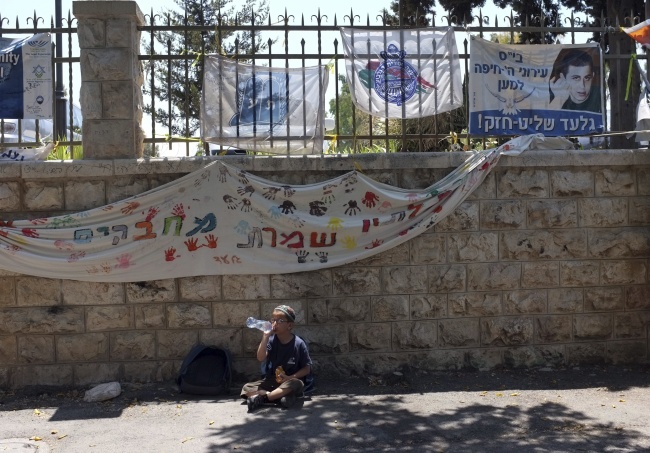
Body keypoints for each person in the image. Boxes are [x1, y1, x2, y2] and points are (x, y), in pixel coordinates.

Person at [240, 305, 312, 412]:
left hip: (290, 381)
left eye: (280, 321)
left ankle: (264, 397)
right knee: (247, 388)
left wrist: (289, 377)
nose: (275, 323)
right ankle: (280, 398)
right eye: (273, 320)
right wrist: (265, 337)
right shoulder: (271, 340)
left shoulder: (298, 343)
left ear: (289, 325)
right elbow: (260, 358)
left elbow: (307, 369)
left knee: (296, 383)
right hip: (273, 381)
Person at [548, 48, 602, 113]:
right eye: (576, 78)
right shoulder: (553, 96)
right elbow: (547, 118)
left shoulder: (598, 96)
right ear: (563, 78)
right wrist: (558, 99)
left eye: (587, 78)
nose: (582, 86)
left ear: (593, 76)